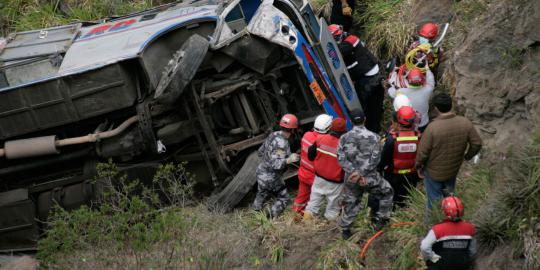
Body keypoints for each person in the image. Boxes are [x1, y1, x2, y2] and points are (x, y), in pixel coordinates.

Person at [415, 93, 482, 218]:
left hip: (434, 172)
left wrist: (418, 166)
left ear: (435, 108)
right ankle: (452, 217)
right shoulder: (465, 123)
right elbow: (477, 143)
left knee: (433, 202)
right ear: (451, 105)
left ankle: (433, 226)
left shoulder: (432, 128)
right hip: (453, 168)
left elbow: (423, 153)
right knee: (449, 194)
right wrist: (467, 156)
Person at [337, 109, 393, 239]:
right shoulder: (375, 137)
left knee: (351, 201)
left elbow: (341, 158)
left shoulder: (344, 138)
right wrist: (362, 173)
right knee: (387, 192)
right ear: (365, 119)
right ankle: (381, 220)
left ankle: (346, 230)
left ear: (350, 121)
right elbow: (376, 159)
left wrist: (354, 173)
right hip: (370, 177)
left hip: (351, 178)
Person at [328, 25, 384, 134]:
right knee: (374, 107)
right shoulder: (350, 38)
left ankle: (370, 131)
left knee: (368, 108)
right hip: (370, 77)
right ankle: (373, 129)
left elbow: (336, 53)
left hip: (368, 80)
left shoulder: (349, 43)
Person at [253, 114, 300, 218]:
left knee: (261, 192)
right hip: (271, 176)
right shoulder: (282, 144)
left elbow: (260, 152)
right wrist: (288, 159)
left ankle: (255, 213)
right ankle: (269, 218)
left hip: (261, 171)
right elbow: (276, 165)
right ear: (293, 129)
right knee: (284, 198)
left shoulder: (273, 134)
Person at [303, 118, 347, 221]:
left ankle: (305, 226)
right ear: (344, 131)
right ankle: (328, 231)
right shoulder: (345, 146)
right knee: (332, 209)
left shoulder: (320, 139)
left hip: (319, 179)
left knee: (312, 206)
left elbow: (310, 155)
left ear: (331, 128)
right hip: (335, 184)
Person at [377, 106, 421, 209]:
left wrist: (379, 170)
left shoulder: (392, 139)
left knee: (391, 198)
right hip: (411, 175)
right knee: (405, 199)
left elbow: (384, 159)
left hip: (393, 176)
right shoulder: (418, 137)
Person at [421, 196, 476, 270]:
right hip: (462, 265)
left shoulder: (437, 229)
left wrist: (433, 257)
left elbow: (424, 247)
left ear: (444, 211)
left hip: (440, 266)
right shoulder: (470, 229)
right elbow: (472, 252)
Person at [293, 114, 333, 215]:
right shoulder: (324, 142)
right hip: (314, 177)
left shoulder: (306, 135)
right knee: (335, 194)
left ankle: (296, 214)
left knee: (301, 199)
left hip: (303, 173)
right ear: (328, 128)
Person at [388, 67, 435, 132]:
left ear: (409, 80)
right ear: (422, 79)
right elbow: (431, 81)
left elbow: (390, 91)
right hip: (423, 123)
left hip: (408, 125)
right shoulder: (428, 90)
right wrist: (427, 69)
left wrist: (394, 86)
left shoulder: (401, 91)